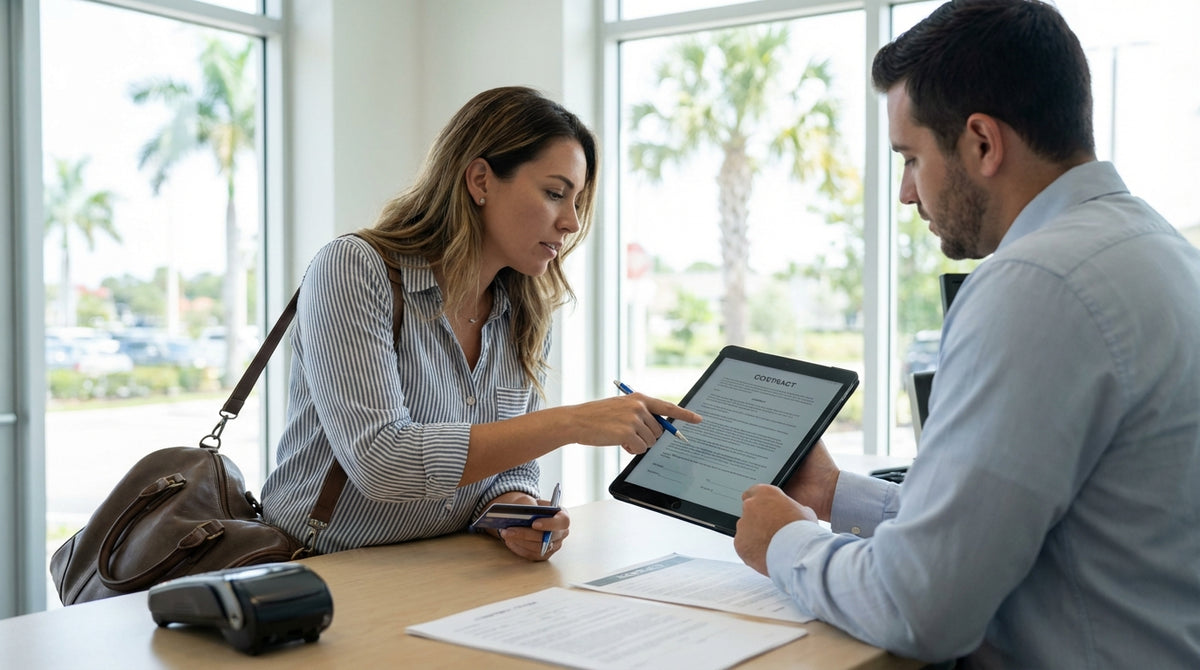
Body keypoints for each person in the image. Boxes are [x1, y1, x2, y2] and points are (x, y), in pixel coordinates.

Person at [733, 1, 1200, 667]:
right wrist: (839, 497)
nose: (906, 193)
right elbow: (1020, 523)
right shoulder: (1160, 253)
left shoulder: (1034, 285)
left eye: (912, 158)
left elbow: (918, 608)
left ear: (982, 142)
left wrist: (784, 542)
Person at [262, 86, 700, 562]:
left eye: (577, 201)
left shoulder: (526, 310)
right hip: (323, 564)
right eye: (556, 194)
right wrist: (572, 422)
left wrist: (516, 512)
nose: (571, 223)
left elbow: (509, 470)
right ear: (480, 180)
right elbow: (381, 461)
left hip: (447, 568)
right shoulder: (353, 267)